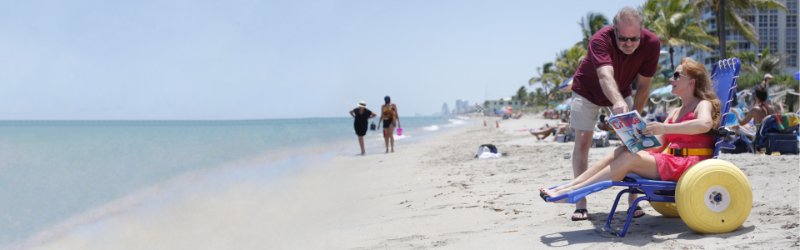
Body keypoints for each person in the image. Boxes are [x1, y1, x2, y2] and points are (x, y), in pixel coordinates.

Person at [541, 58, 721, 215]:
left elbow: (704, 124)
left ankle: (575, 192)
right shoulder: (675, 112)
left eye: (676, 76)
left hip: (692, 165)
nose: (670, 79)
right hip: (672, 161)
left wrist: (663, 127)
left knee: (628, 159)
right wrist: (636, 138)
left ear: (691, 82)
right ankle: (570, 186)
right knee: (622, 150)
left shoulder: (702, 104)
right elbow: (658, 146)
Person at [564, 6, 661, 221]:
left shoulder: (652, 44)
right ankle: (581, 201)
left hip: (622, 89)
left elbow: (644, 86)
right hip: (586, 90)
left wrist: (634, 113)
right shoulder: (600, 39)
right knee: (582, 141)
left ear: (642, 32)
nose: (628, 44)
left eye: (633, 39)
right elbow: (605, 75)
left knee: (632, 141)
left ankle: (633, 198)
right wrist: (617, 102)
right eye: (623, 39)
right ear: (614, 30)